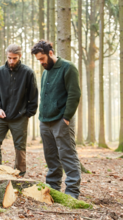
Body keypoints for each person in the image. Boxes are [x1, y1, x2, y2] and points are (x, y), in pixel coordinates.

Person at [31, 40, 81, 199]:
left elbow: (74, 94)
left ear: (50, 53)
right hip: (45, 121)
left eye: (42, 59)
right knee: (51, 156)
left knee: (67, 155)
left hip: (61, 120)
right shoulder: (46, 71)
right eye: (38, 60)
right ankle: (52, 188)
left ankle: (72, 191)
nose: (41, 63)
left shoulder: (68, 67)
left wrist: (66, 117)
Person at [0, 44, 38, 176]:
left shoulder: (28, 73)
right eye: (9, 58)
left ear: (20, 56)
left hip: (20, 117)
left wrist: (27, 114)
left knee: (20, 147)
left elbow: (33, 96)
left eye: (14, 58)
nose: (11, 61)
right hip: (2, 116)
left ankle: (20, 174)